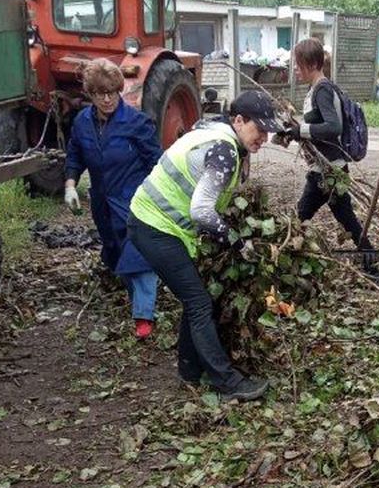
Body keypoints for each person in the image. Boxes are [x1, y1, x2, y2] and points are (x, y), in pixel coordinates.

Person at [127, 90, 284, 401]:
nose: (263, 138)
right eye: (260, 129)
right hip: (153, 227)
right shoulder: (224, 152)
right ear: (239, 121)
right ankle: (227, 383)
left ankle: (189, 371)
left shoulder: (216, 132)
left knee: (194, 298)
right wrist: (237, 243)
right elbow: (202, 211)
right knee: (200, 303)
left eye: (268, 132)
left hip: (155, 224)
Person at [64, 58, 162, 339]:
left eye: (112, 92)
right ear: (90, 95)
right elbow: (75, 154)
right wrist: (70, 185)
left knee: (138, 253)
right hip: (102, 203)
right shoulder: (82, 123)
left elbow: (156, 162)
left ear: (119, 90)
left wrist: (157, 199)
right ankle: (138, 300)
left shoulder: (136, 123)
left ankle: (144, 317)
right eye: (99, 94)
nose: (107, 99)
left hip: (135, 201)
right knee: (115, 251)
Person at [285, 38, 374, 255]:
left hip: (327, 171)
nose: (295, 69)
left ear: (313, 64)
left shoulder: (322, 90)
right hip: (331, 169)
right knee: (347, 219)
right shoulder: (319, 88)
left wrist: (302, 130)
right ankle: (370, 258)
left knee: (299, 217)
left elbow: (333, 126)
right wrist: (294, 132)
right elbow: (321, 128)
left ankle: (285, 255)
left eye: (298, 64)